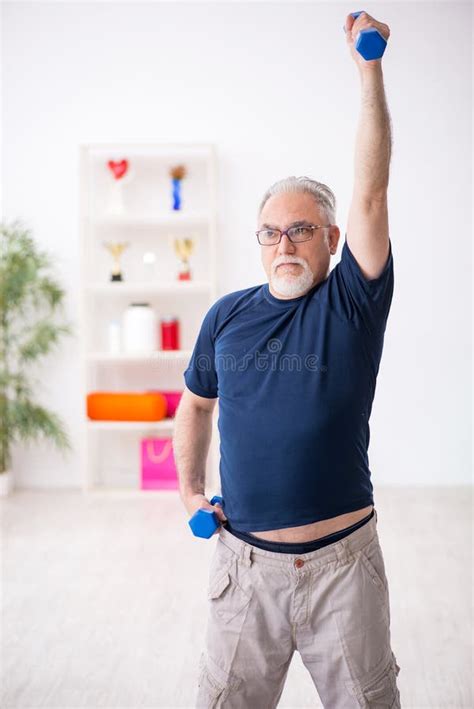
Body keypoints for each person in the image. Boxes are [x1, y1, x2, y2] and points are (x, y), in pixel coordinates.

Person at [174, 11, 401, 708]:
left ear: (332, 237)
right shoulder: (227, 316)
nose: (284, 244)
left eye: (300, 229)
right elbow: (196, 403)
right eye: (270, 232)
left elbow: (369, 190)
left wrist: (369, 67)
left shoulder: (351, 304)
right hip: (243, 570)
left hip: (341, 568)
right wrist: (187, 491)